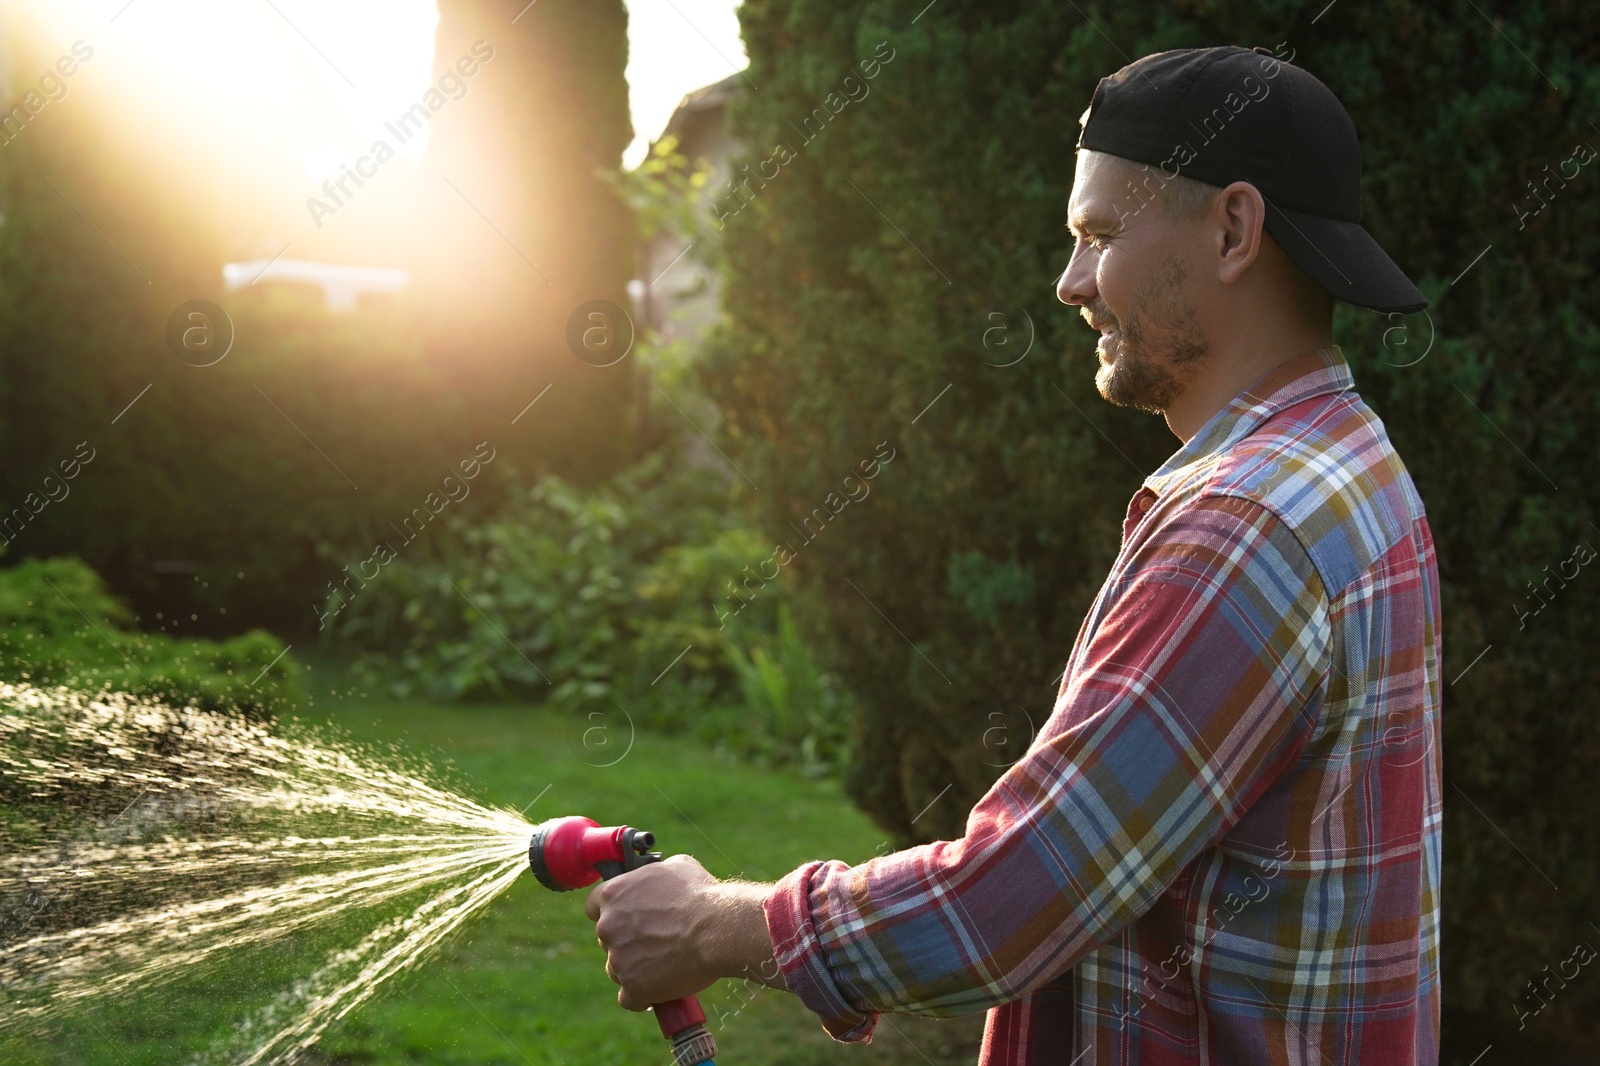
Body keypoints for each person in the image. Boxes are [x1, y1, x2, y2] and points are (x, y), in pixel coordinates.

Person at [585, 45, 1442, 1065]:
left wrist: (709, 925)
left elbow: (1009, 902)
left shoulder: (1241, 528)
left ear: (1232, 229)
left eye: (1100, 234)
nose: (1068, 281)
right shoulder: (1351, 462)